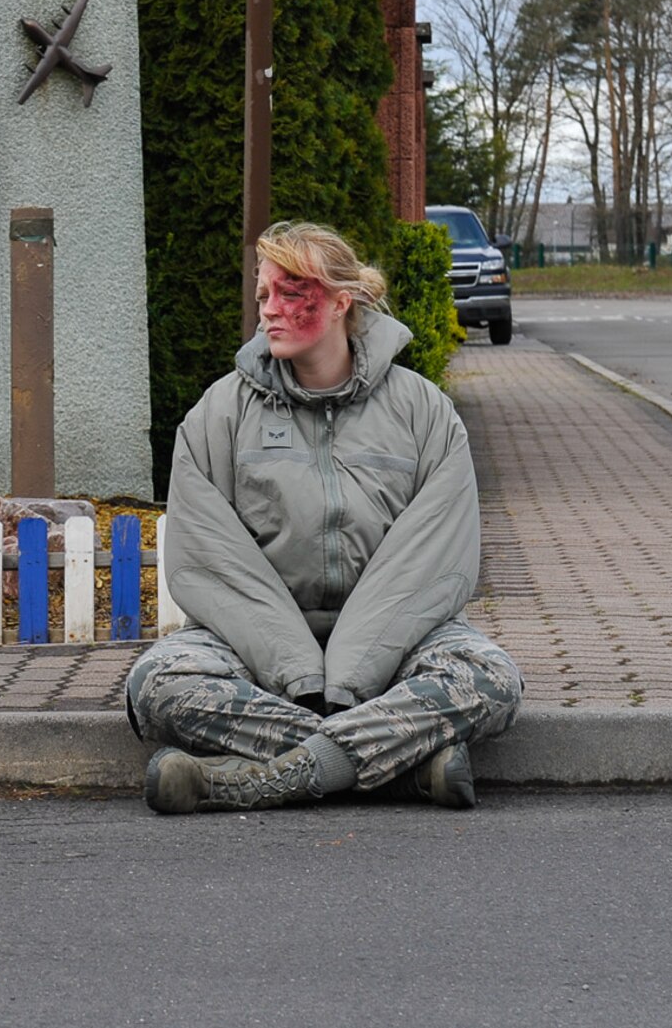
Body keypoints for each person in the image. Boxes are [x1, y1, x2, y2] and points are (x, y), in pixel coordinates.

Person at [128, 221, 523, 814]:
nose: (269, 311)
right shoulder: (219, 414)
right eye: (263, 295)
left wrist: (349, 674)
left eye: (291, 293)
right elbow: (212, 563)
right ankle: (403, 773)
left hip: (396, 645)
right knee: (158, 683)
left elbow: (430, 561)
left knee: (489, 677)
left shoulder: (424, 411)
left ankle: (247, 779)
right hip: (254, 648)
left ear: (341, 301)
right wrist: (299, 672)